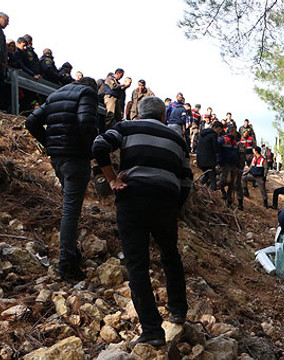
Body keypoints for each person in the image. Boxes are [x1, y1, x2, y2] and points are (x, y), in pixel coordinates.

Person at [92, 96, 191, 349]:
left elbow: (99, 145)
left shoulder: (127, 127)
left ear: (137, 113)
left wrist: (112, 178)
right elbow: (186, 180)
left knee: (137, 264)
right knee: (170, 256)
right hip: (165, 202)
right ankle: (178, 310)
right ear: (163, 117)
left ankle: (152, 331)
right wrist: (175, 205)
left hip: (133, 198)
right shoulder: (178, 139)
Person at [25, 77, 99, 282]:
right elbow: (86, 122)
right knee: (71, 210)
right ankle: (66, 263)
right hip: (76, 157)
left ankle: (72, 252)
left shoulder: (55, 94)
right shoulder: (87, 93)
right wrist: (92, 149)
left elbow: (31, 121)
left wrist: (49, 144)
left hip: (57, 158)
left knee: (69, 205)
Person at [217, 124, 244, 210]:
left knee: (233, 185)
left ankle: (230, 202)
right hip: (225, 165)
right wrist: (219, 161)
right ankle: (223, 194)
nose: (236, 134)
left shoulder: (235, 142)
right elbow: (217, 150)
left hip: (233, 166)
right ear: (231, 131)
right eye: (235, 132)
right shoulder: (223, 140)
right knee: (224, 181)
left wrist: (239, 167)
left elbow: (238, 156)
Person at [197, 120, 223, 190]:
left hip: (200, 159)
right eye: (219, 129)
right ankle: (213, 194)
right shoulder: (213, 135)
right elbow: (215, 148)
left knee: (207, 175)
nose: (220, 131)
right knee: (212, 178)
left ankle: (197, 187)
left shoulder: (203, 134)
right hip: (208, 160)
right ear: (215, 128)